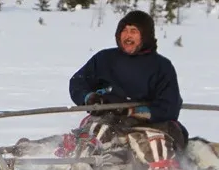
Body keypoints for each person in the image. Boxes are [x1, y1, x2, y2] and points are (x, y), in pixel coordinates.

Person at [68, 9, 187, 148]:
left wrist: (132, 111)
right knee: (92, 135)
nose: (127, 36)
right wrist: (89, 98)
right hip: (106, 120)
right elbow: (78, 82)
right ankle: (77, 162)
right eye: (124, 30)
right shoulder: (104, 59)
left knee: (156, 143)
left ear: (145, 36)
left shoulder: (161, 67)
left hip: (146, 125)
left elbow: (169, 106)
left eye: (133, 31)